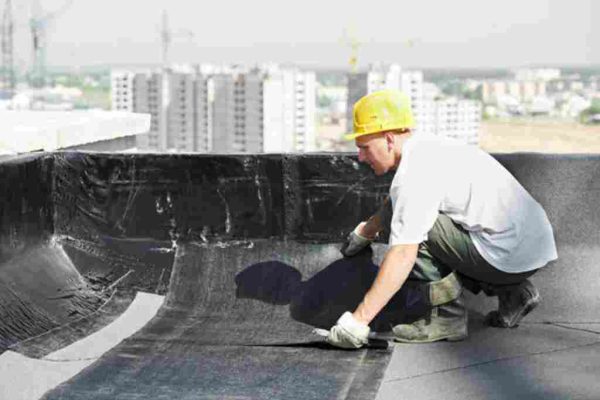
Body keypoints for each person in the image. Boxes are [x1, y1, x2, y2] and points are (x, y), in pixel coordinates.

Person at [326, 90, 558, 349]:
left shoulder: (415, 174)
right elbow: (397, 201)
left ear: (389, 139)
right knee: (411, 214)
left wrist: (358, 322)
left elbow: (403, 254)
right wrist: (366, 232)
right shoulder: (427, 146)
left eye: (364, 147)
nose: (360, 157)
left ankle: (448, 317)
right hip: (529, 248)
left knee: (412, 231)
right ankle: (514, 293)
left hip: (506, 257)